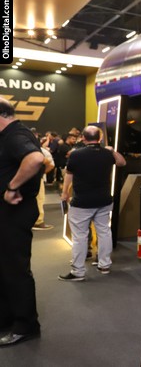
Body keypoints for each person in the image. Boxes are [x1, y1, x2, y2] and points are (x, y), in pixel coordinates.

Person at [0, 96, 45, 346]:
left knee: (16, 269)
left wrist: (12, 186)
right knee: (5, 268)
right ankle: (7, 317)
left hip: (15, 212)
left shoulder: (16, 135)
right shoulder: (9, 135)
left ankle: (26, 325)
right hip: (8, 213)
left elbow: (35, 159)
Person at [58, 126, 126, 281]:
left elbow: (69, 174)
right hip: (103, 200)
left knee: (80, 236)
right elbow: (122, 162)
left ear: (83, 138)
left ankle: (78, 271)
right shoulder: (107, 154)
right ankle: (104, 265)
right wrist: (112, 150)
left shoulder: (76, 154)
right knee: (104, 232)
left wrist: (65, 192)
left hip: (82, 202)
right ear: (99, 138)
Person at [33, 143, 55, 230]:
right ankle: (38, 222)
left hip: (22, 178)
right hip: (36, 178)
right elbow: (50, 164)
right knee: (39, 199)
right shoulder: (40, 151)